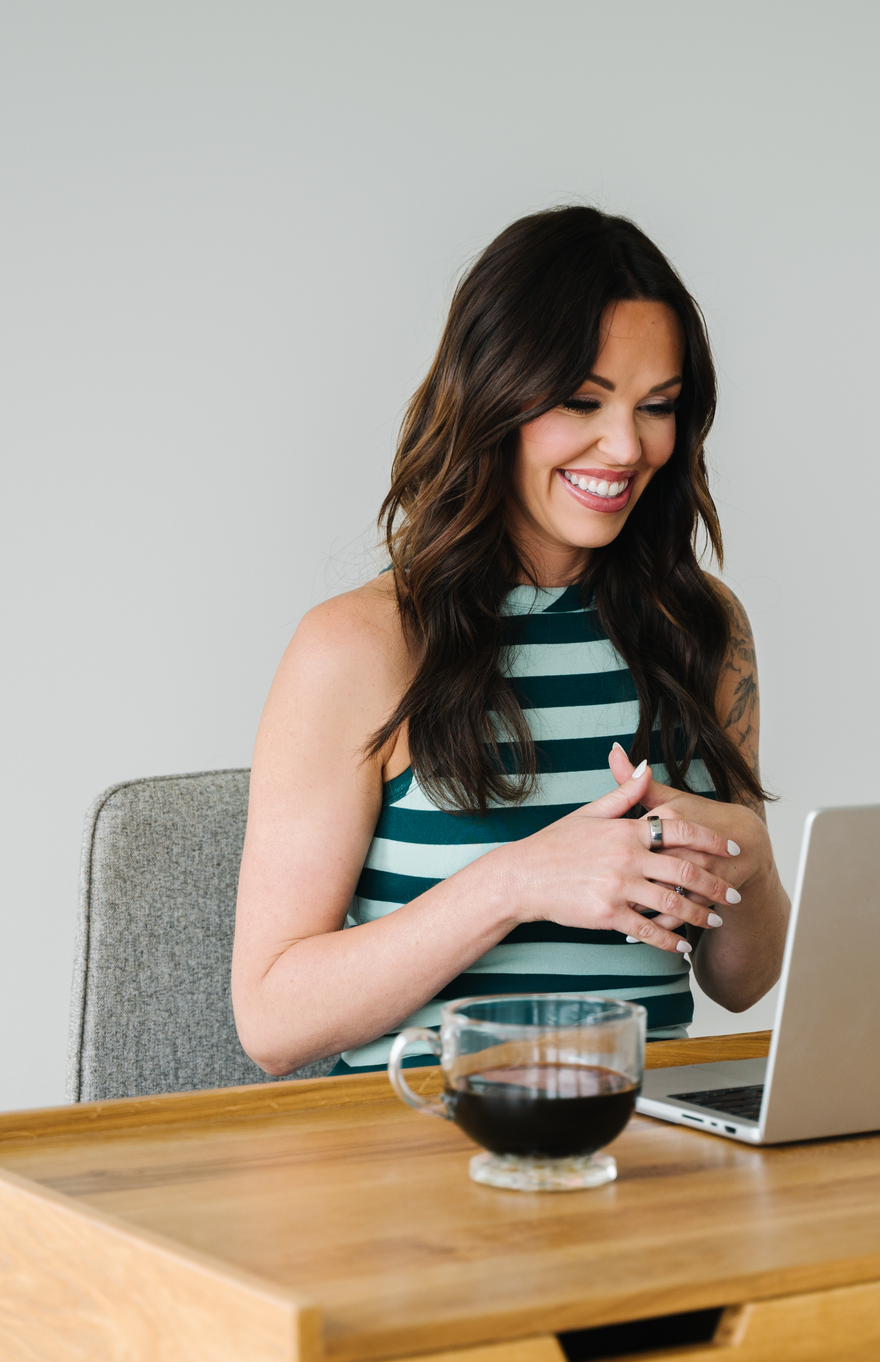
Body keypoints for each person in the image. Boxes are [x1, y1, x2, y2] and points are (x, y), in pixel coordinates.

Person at [232, 207, 789, 1075]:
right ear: (495, 394)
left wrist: (747, 862)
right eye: (582, 401)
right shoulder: (360, 646)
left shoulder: (705, 629)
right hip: (417, 1139)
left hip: (644, 1136)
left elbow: (742, 982)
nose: (626, 446)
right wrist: (516, 882)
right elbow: (272, 1020)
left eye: (657, 407)